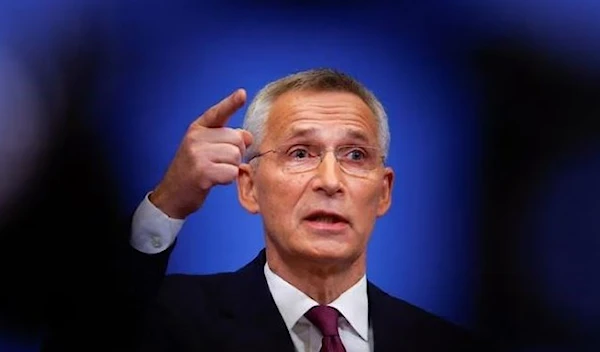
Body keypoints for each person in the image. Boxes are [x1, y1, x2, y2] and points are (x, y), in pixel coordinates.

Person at [129, 68, 494, 351]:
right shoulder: (172, 318)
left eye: (355, 155)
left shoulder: (449, 345)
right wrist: (169, 202)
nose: (330, 181)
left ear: (383, 193)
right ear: (249, 186)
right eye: (300, 153)